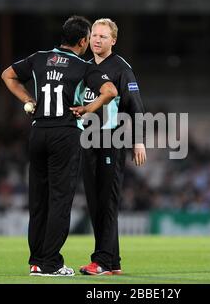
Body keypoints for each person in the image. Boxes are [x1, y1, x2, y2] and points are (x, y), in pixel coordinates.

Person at [1, 15, 118, 277]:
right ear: (83, 41)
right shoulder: (83, 67)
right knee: (60, 200)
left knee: (38, 200)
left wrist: (28, 99)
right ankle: (50, 263)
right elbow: (110, 91)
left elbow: (7, 75)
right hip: (64, 135)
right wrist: (88, 108)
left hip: (38, 132)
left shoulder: (38, 58)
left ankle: (36, 260)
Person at [76, 18, 147, 275]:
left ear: (113, 41)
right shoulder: (84, 68)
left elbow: (136, 107)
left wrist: (138, 141)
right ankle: (112, 261)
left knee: (107, 201)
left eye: (103, 36)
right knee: (96, 202)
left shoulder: (121, 69)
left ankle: (102, 261)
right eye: (94, 35)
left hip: (109, 140)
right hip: (88, 141)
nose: (97, 39)